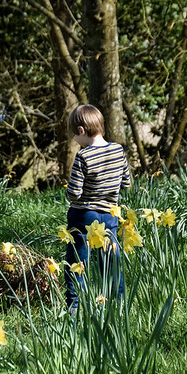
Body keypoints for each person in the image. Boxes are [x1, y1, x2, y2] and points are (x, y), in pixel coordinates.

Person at [64, 104, 131, 310]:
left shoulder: (83, 156)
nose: (76, 140)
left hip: (83, 216)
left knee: (78, 261)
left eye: (75, 136)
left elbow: (74, 193)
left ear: (82, 130)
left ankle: (74, 305)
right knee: (110, 261)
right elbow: (126, 183)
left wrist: (68, 194)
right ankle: (116, 305)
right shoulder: (118, 150)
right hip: (110, 215)